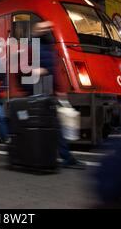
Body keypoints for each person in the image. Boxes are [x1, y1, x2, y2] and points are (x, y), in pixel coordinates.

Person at [21, 21, 84, 168]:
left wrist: (59, 89)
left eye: (48, 27)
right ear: (35, 29)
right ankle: (61, 157)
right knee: (47, 125)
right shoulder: (29, 46)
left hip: (47, 89)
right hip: (35, 89)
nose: (46, 29)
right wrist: (34, 71)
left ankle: (44, 155)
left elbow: (54, 69)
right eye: (42, 27)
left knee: (50, 125)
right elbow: (21, 68)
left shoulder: (48, 46)